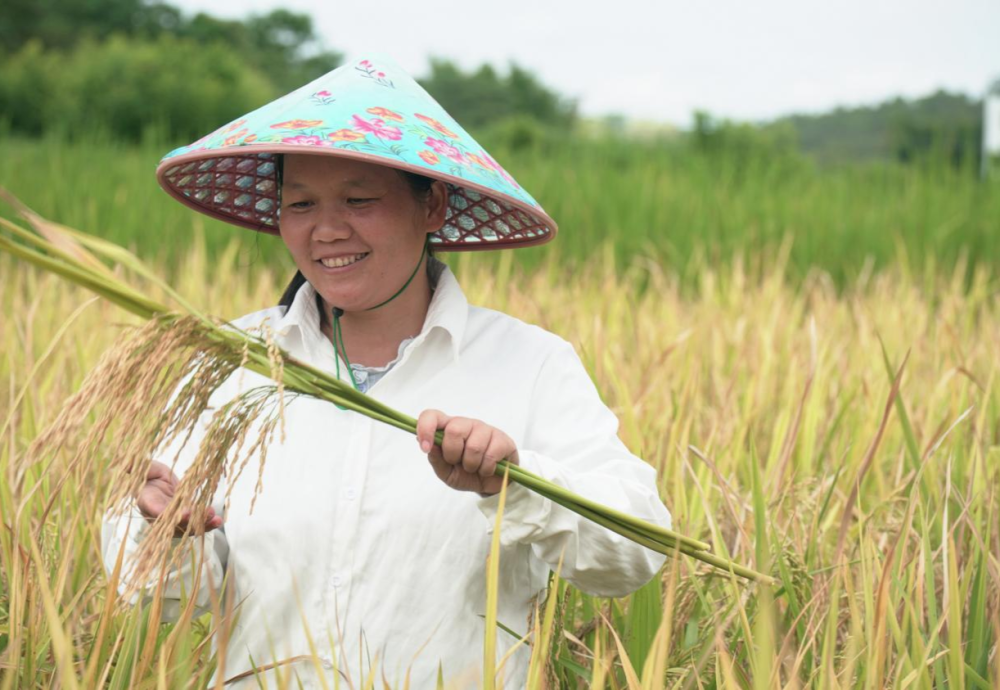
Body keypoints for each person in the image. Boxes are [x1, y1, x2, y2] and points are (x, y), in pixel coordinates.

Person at [101, 54, 672, 689]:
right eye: (300, 204)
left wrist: (514, 482)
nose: (326, 229)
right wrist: (164, 531)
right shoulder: (233, 362)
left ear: (433, 208)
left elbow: (636, 552)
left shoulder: (529, 363)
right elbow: (159, 599)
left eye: (360, 199)